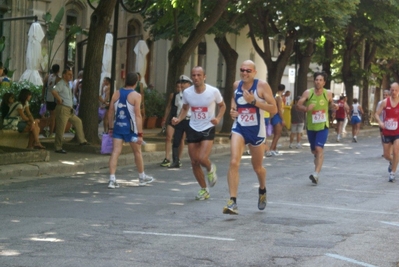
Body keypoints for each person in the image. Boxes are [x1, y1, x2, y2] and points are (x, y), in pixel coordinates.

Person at [223, 60, 277, 215]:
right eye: (242, 70)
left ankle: (262, 189)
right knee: (234, 161)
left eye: (248, 70)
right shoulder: (236, 85)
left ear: (254, 72)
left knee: (257, 168)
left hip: (256, 131)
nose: (244, 73)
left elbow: (274, 108)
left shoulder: (262, 86)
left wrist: (253, 101)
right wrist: (233, 110)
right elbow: (234, 98)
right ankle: (232, 201)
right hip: (239, 128)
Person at [172, 66, 226, 200]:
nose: (196, 78)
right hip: (193, 127)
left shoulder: (213, 91)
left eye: (199, 75)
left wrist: (218, 118)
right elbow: (185, 108)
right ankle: (204, 189)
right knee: (194, 162)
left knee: (202, 158)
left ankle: (210, 167)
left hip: (208, 127)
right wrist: (178, 119)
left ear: (204, 77)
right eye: (194, 75)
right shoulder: (187, 93)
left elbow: (223, 106)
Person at [107, 72, 154, 188]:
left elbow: (110, 112)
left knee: (115, 152)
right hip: (131, 129)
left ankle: (112, 179)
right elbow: (138, 116)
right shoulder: (136, 96)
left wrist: (110, 128)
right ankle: (141, 177)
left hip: (118, 126)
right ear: (136, 82)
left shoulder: (116, 93)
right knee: (137, 152)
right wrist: (140, 134)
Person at [297, 71, 337, 185]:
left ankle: (316, 174)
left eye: (320, 80)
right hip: (311, 126)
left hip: (323, 126)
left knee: (319, 149)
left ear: (324, 82)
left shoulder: (327, 93)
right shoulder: (308, 93)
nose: (318, 82)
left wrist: (334, 107)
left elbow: (331, 104)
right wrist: (306, 108)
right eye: (316, 80)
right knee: (314, 151)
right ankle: (317, 163)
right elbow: (298, 105)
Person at [51, 69, 89, 154]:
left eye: (71, 74)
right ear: (64, 75)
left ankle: (82, 140)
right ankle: (58, 147)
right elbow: (54, 91)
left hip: (69, 109)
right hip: (63, 108)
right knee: (61, 129)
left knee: (78, 121)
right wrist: (59, 99)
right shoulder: (61, 83)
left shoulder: (68, 84)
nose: (71, 76)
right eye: (68, 74)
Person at [374, 82, 399, 182]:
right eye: (392, 90)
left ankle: (392, 173)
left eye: (396, 90)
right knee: (386, 155)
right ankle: (393, 162)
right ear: (390, 90)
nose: (394, 92)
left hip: (397, 132)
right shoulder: (384, 102)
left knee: (396, 151)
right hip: (387, 131)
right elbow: (376, 114)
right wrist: (380, 122)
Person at [168, 75, 193, 169]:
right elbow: (178, 108)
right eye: (181, 83)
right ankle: (175, 161)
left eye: (184, 83)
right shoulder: (177, 96)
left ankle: (195, 160)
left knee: (192, 140)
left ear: (189, 84)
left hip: (190, 120)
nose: (182, 85)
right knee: (176, 140)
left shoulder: (193, 94)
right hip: (180, 120)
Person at [159, 80, 183, 167]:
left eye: (181, 87)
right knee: (168, 137)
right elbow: (168, 107)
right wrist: (164, 119)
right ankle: (167, 158)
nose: (179, 89)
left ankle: (178, 158)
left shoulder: (187, 96)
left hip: (182, 120)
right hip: (173, 118)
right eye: (178, 87)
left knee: (181, 139)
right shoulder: (173, 95)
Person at [42, 64, 61, 138]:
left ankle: (48, 129)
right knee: (53, 116)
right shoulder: (58, 79)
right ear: (58, 70)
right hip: (54, 99)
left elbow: (44, 87)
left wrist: (43, 97)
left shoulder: (47, 77)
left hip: (48, 98)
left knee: (51, 115)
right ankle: (50, 132)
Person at [267, 84, 285, 156]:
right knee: (277, 134)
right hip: (277, 116)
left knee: (277, 134)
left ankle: (274, 149)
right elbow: (279, 110)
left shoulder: (274, 96)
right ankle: (271, 149)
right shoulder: (279, 98)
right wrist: (283, 119)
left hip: (274, 116)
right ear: (283, 90)